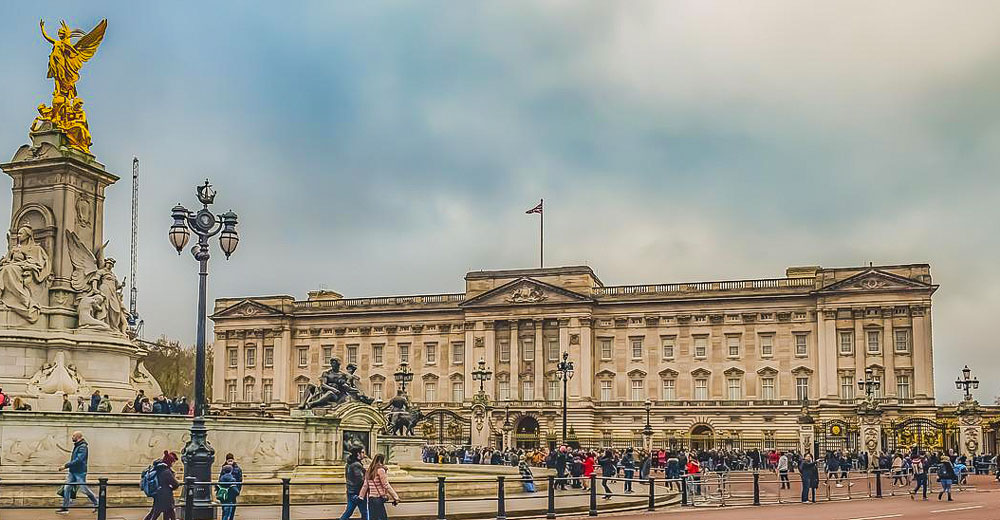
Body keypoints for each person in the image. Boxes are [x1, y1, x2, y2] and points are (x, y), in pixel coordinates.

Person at [56, 431, 98, 514]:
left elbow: (78, 460)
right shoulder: (78, 446)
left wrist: (65, 466)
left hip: (80, 472)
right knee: (67, 488)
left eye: (73, 436)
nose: (72, 437)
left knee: (84, 489)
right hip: (73, 471)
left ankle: (98, 504)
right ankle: (65, 508)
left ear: (78, 437)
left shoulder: (83, 447)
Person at [359, 453, 399, 520]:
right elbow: (386, 485)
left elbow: (365, 485)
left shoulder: (369, 470)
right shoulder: (380, 470)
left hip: (371, 499)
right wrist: (396, 497)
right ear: (382, 460)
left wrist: (361, 497)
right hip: (378, 498)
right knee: (383, 518)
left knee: (373, 518)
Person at [144, 451, 180, 520]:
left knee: (156, 512)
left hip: (158, 494)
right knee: (157, 513)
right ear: (169, 462)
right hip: (165, 496)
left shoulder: (159, 469)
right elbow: (176, 484)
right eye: (172, 462)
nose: (173, 464)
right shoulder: (166, 471)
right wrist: (172, 487)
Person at [339, 448, 368, 520]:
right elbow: (360, 479)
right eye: (362, 452)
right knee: (364, 512)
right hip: (358, 492)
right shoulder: (356, 465)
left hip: (350, 491)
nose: (364, 454)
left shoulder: (348, 464)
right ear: (358, 454)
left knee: (349, 512)